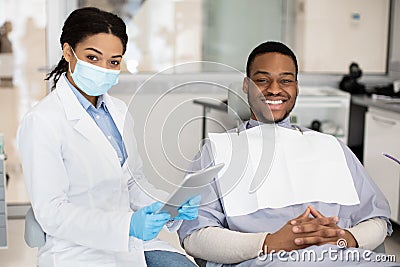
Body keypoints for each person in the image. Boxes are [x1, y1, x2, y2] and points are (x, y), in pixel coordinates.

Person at [178, 41, 394, 266]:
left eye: (285, 80)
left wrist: (347, 238)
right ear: (246, 85)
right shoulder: (217, 151)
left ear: (296, 87)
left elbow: (377, 218)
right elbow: (194, 237)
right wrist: (268, 243)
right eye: (262, 80)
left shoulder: (331, 147)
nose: (273, 89)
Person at [17, 7, 199, 267]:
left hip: (129, 247)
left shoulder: (119, 112)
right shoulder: (43, 121)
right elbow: (52, 213)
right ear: (68, 51)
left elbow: (133, 183)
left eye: (113, 62)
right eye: (92, 57)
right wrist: (127, 225)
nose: (103, 68)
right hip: (77, 253)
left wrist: (168, 205)